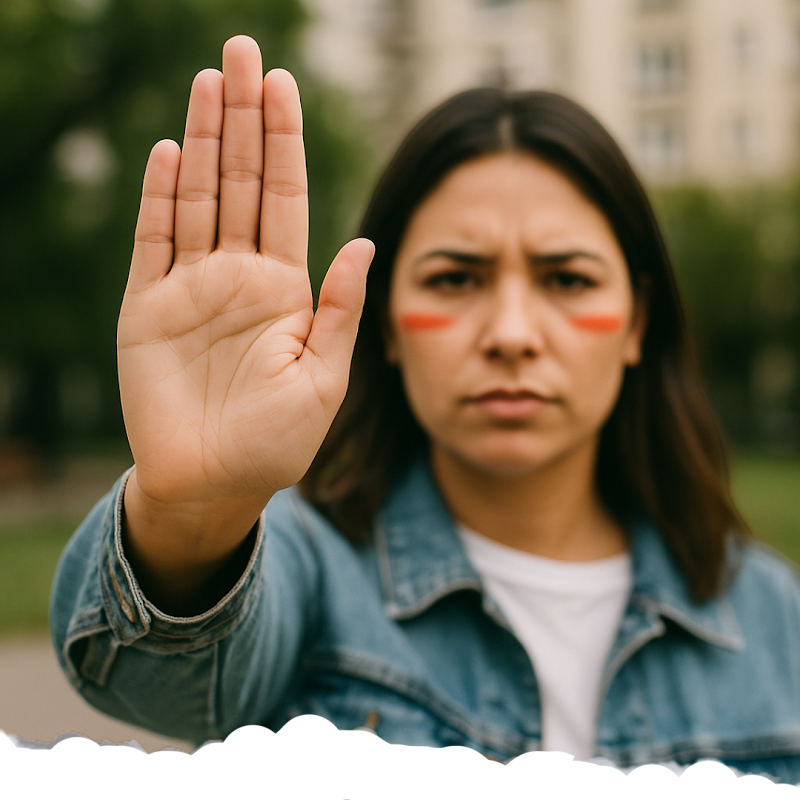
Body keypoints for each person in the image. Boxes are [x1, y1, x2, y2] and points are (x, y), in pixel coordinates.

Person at [50, 35, 800, 781]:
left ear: (637, 321)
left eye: (567, 279)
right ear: (389, 324)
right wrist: (194, 511)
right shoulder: (310, 568)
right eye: (454, 279)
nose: (511, 334)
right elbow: (145, 683)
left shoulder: (775, 618)